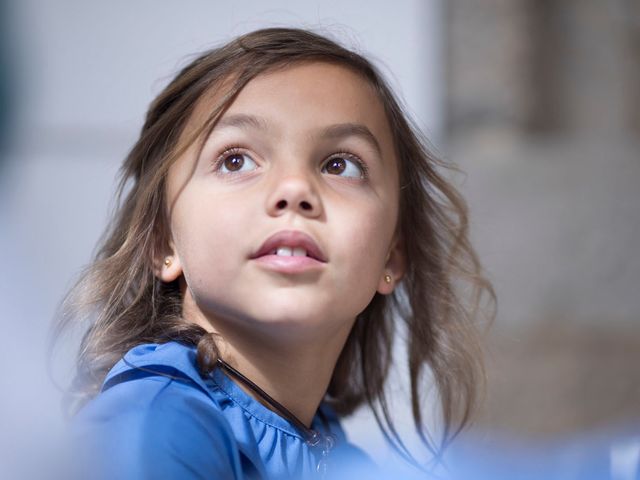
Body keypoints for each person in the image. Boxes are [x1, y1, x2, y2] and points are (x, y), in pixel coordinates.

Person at [53, 27, 494, 479]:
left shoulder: (337, 457)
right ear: (164, 242)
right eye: (236, 160)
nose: (294, 189)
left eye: (340, 164)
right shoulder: (151, 428)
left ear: (391, 256)